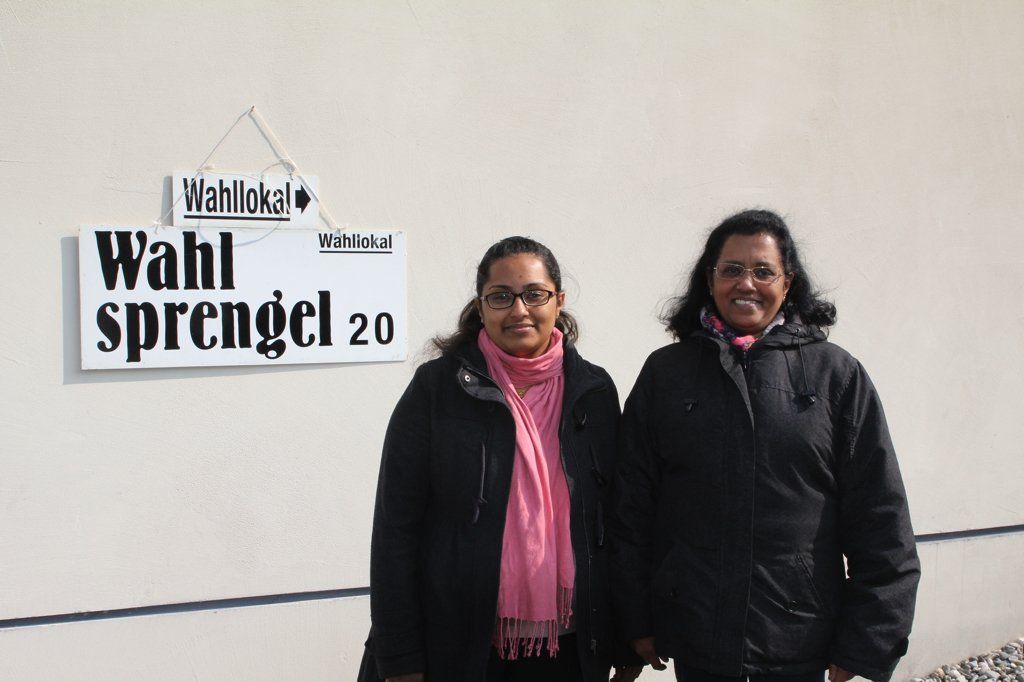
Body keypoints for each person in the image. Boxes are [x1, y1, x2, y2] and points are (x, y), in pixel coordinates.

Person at [609, 210, 920, 682]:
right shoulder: (666, 374)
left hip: (799, 638)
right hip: (696, 635)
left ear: (787, 282)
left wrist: (867, 641)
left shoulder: (836, 375)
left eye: (763, 271)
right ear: (710, 278)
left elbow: (881, 516)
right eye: (731, 269)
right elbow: (631, 507)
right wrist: (635, 619)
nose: (746, 284)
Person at [364, 237, 636, 681]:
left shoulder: (594, 391)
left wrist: (627, 636)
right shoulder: (437, 389)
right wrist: (399, 657)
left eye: (534, 294)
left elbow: (618, 520)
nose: (519, 310)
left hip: (572, 646)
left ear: (559, 301)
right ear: (481, 306)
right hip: (461, 646)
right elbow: (395, 528)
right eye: (501, 296)